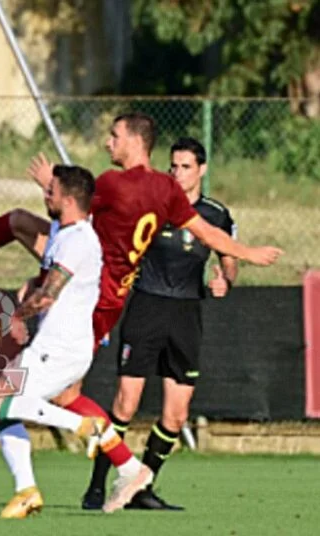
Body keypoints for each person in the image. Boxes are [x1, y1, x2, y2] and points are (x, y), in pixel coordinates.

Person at [0, 112, 281, 516]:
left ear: (134, 140)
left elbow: (71, 209)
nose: (108, 143)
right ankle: (121, 468)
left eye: (114, 136)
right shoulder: (165, 188)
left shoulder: (116, 184)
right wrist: (249, 253)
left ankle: (112, 458)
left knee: (18, 396)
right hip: (109, 292)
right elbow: (208, 234)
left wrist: (48, 196)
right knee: (20, 224)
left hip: (91, 287)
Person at [0, 165, 155, 517]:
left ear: (67, 199)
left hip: (61, 349)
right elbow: (43, 284)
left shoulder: (79, 238)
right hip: (55, 345)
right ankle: (30, 490)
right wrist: (30, 290)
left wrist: (17, 316)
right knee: (1, 410)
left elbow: (49, 295)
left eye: (51, 191)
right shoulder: (62, 231)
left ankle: (83, 427)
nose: (44, 195)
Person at [82, 137, 238, 511]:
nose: (178, 173)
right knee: (125, 403)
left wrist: (226, 279)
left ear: (201, 170)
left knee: (176, 413)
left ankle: (139, 488)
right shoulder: (154, 203)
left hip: (186, 314)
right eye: (173, 165)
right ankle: (98, 485)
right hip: (147, 307)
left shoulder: (217, 214)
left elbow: (228, 256)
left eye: (186, 166)